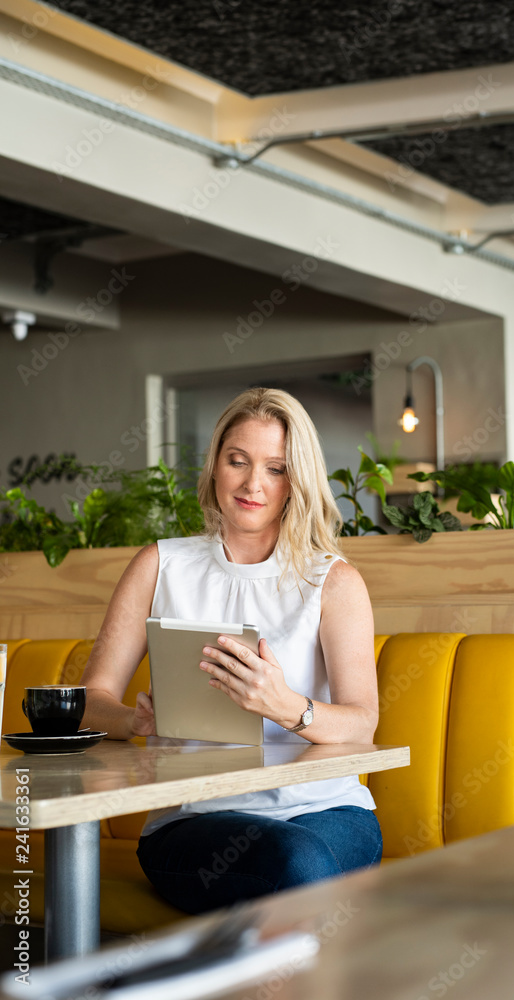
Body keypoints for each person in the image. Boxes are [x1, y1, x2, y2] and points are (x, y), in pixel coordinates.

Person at [81, 387, 382, 913]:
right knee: (297, 868)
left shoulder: (333, 581)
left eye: (275, 468)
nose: (252, 484)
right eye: (237, 461)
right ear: (215, 465)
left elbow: (363, 722)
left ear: (296, 481)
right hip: (195, 819)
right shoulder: (159, 565)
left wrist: (282, 704)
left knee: (300, 863)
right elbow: (90, 698)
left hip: (328, 809)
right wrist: (134, 721)